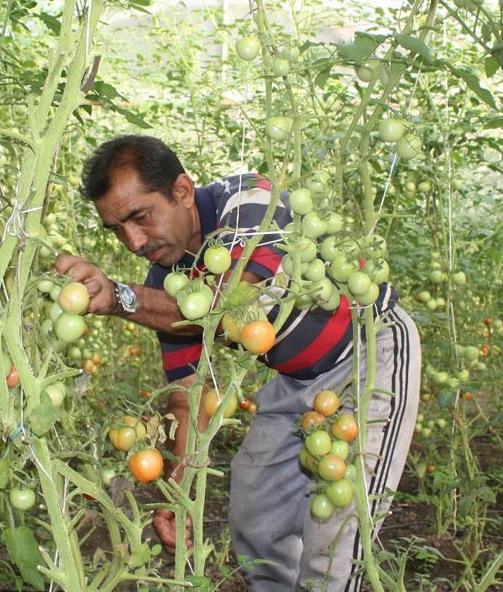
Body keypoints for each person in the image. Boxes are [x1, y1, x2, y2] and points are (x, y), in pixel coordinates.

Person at [53, 135, 421, 591]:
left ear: (183, 191)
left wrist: (120, 298)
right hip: (295, 382)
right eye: (117, 230)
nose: (133, 242)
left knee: (339, 540)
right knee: (255, 517)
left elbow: (234, 304)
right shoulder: (165, 282)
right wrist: (176, 493)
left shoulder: (248, 200)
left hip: (369, 355)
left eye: (140, 217)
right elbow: (191, 398)